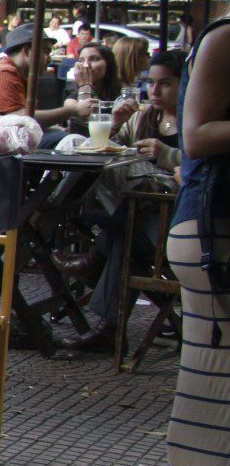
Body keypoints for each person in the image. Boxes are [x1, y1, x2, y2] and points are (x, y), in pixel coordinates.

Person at [159, 15, 230, 466]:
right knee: (218, 371)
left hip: (209, 229)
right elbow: (197, 135)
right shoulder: (225, 37)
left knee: (210, 369)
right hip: (212, 234)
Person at [56, 51, 183, 355]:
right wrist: (115, 121)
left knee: (125, 232)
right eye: (151, 83)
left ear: (185, 84)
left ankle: (91, 259)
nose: (154, 91)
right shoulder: (143, 116)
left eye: (165, 84)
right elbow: (106, 145)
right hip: (142, 215)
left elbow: (199, 166)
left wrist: (167, 155)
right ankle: (110, 330)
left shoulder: (194, 123)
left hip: (176, 222)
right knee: (125, 237)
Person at [0, 24, 91, 140]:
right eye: (46, 51)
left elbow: (25, 123)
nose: (49, 59)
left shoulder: (18, 74)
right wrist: (72, 110)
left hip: (6, 139)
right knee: (71, 141)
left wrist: (55, 128)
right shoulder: (3, 73)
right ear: (27, 50)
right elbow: (20, 119)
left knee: (70, 138)